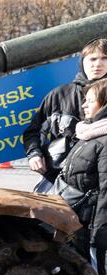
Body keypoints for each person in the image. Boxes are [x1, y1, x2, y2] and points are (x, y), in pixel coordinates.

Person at [24, 38, 107, 184]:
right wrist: (34, 154)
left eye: (104, 58)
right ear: (82, 62)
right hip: (60, 179)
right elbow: (33, 132)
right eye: (92, 59)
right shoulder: (59, 95)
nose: (98, 64)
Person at [55, 79, 107, 275]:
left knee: (97, 274)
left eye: (90, 101)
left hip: (93, 223)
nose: (84, 105)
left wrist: (101, 232)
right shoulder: (90, 133)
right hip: (79, 220)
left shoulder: (103, 140)